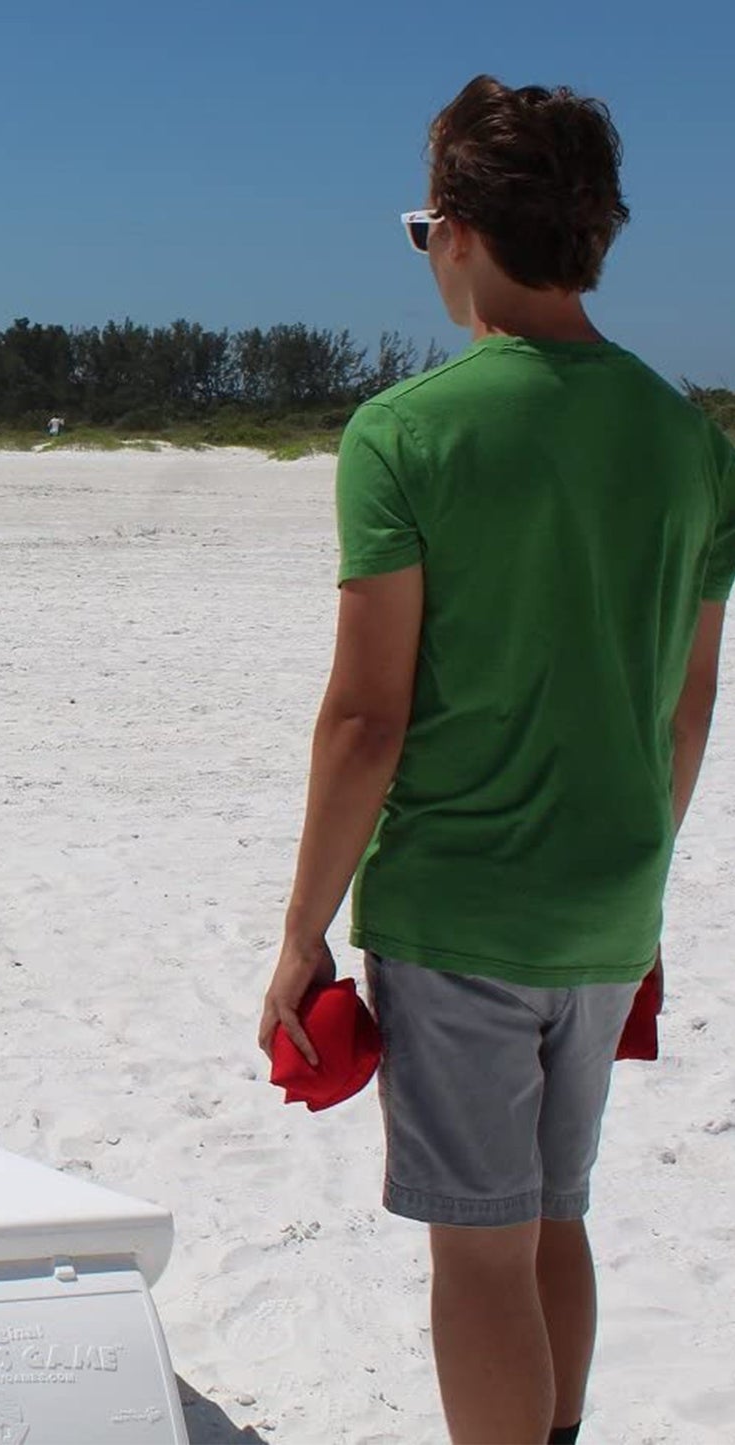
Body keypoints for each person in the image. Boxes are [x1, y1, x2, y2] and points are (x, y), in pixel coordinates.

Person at [257, 75, 735, 1445]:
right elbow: (687, 705)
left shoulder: (406, 432)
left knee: (476, 1246)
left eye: (422, 230)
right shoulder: (691, 444)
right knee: (551, 1213)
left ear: (459, 230)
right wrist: (641, 882)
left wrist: (299, 932)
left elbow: (365, 717)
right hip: (610, 898)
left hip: (464, 903)